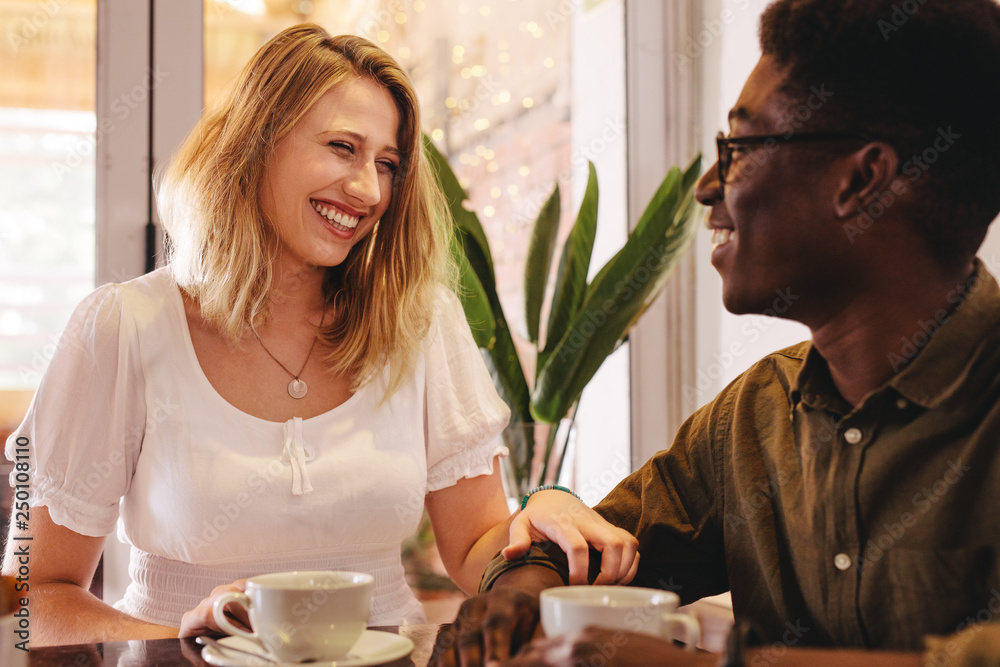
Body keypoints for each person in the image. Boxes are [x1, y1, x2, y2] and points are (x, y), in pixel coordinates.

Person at [1, 24, 639, 647]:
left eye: (387, 164)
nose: (367, 189)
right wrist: (187, 639)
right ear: (255, 143)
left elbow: (478, 552)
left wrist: (543, 512)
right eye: (342, 148)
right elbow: (34, 601)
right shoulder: (120, 327)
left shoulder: (422, 322)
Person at [430, 0, 1000, 665]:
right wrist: (520, 598)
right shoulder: (752, 417)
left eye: (740, 148)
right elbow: (590, 544)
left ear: (862, 178)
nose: (706, 187)